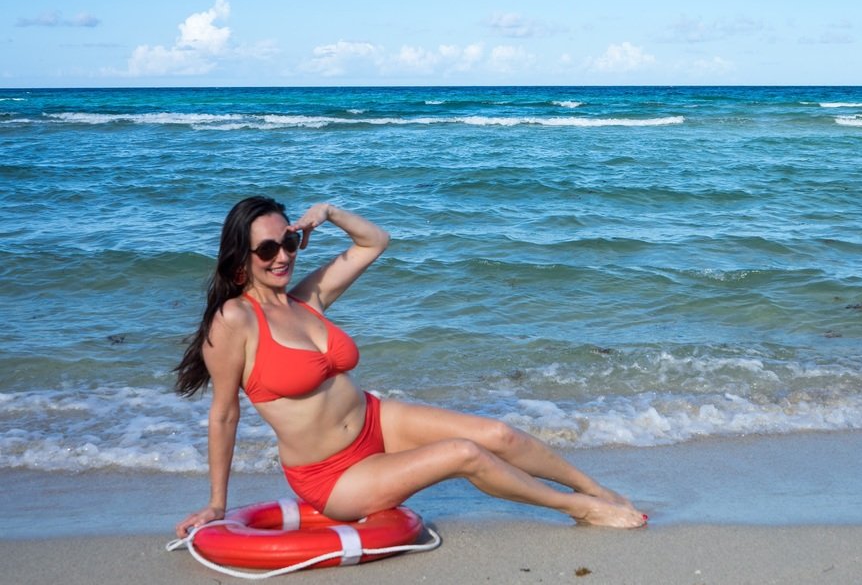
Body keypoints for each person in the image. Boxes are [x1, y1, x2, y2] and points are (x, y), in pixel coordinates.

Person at [174, 196, 647, 538]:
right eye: (267, 250)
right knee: (465, 453)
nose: (283, 257)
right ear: (242, 256)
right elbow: (224, 414)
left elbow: (374, 241)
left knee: (500, 435)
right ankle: (578, 508)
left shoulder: (307, 299)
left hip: (376, 421)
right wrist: (218, 503)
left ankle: (596, 488)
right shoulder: (235, 319)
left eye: (290, 242)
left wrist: (329, 212)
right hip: (331, 475)